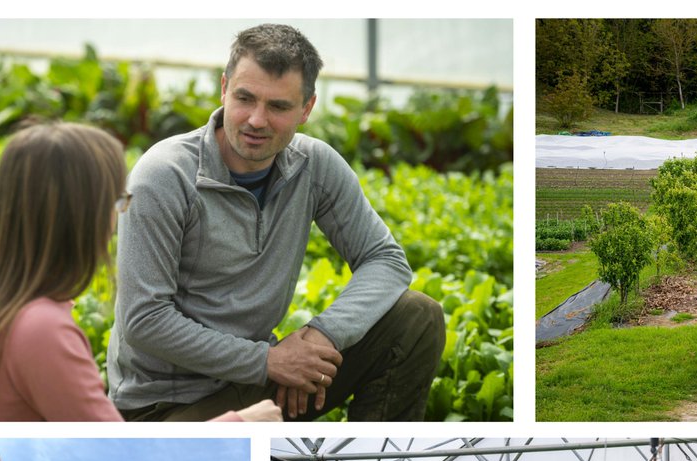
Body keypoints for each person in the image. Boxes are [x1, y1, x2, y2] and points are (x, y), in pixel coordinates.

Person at [108, 23, 445, 421]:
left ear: (306, 108)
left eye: (278, 107)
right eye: (245, 98)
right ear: (224, 88)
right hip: (169, 405)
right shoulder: (163, 176)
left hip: (260, 378)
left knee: (415, 316)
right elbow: (144, 321)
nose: (256, 120)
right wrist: (269, 361)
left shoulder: (315, 166)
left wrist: (319, 338)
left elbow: (385, 260)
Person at [0, 123, 281, 424]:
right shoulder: (41, 330)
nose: (119, 217)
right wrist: (243, 423)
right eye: (118, 202)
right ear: (81, 217)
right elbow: (120, 451)